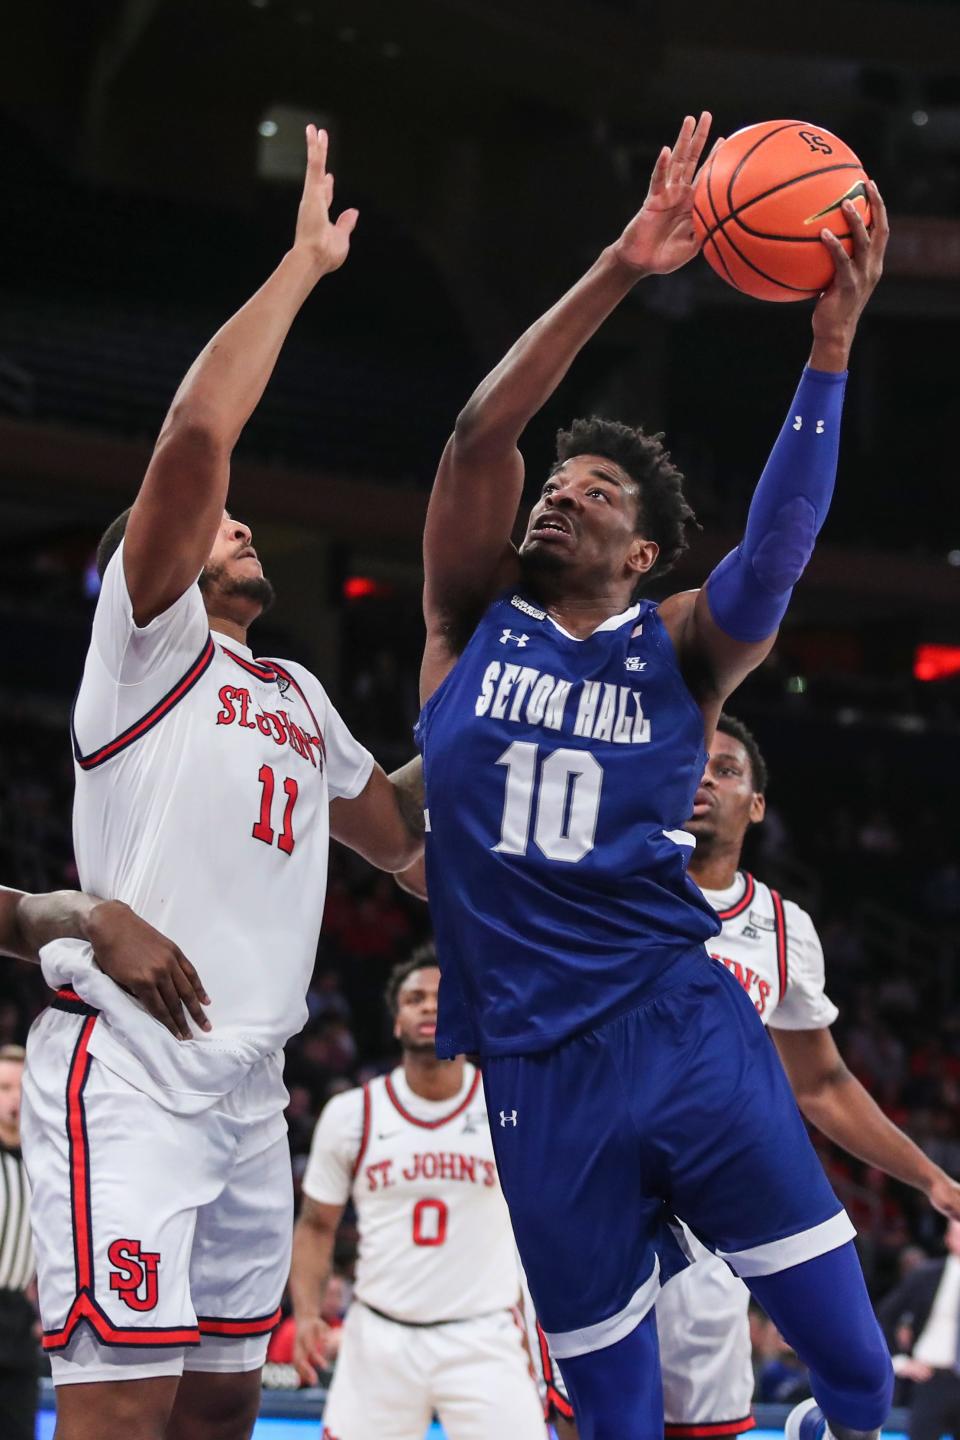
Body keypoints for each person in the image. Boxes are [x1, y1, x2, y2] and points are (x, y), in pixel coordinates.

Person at [415, 110, 892, 1440]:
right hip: (532, 1069)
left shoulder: (680, 649)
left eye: (598, 496)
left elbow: (781, 549)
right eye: (555, 484)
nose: (560, 497)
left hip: (683, 1035)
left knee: (854, 1361)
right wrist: (626, 263)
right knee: (616, 1417)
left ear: (643, 557)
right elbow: (473, 438)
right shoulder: (465, 621)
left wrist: (830, 352)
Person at [21, 128, 423, 1440]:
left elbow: (409, 841)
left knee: (222, 1413)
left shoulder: (302, 700)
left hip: (253, 1087)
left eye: (244, 523)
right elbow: (199, 432)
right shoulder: (144, 653)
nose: (236, 523)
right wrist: (304, 267)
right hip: (129, 1075)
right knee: (122, 1413)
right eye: (211, 526)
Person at [533, 715, 960, 1439]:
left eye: (726, 769)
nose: (705, 778)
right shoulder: (596, 885)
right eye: (691, 764)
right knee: (594, 1424)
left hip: (713, 1222)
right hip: (601, 1192)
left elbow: (821, 1085)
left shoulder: (782, 926)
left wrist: (930, 1178)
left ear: (756, 804)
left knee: (712, 1425)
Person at [291, 945, 546, 1440]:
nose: (429, 1006)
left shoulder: (508, 1107)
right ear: (395, 1021)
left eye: (441, 997)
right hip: (379, 1335)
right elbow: (316, 1225)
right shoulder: (352, 1113)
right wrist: (305, 1316)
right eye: (414, 999)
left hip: (483, 1333)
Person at [878, 1220, 960, 1440]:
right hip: (931, 1380)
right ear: (948, 1239)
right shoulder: (925, 1275)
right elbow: (886, 1315)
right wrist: (899, 1359)